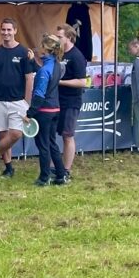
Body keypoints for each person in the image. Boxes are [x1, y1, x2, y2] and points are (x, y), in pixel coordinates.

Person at [0, 18, 36, 178]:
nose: (6, 33)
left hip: (18, 101)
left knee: (16, 134)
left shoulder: (24, 52)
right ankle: (8, 168)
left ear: (15, 31)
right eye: (3, 29)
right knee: (2, 135)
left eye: (9, 30)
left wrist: (27, 102)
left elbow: (29, 78)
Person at [29, 34, 68, 186]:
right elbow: (45, 74)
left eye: (41, 46)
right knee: (52, 143)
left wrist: (29, 113)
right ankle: (61, 175)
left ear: (45, 49)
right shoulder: (57, 65)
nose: (39, 48)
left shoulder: (45, 69)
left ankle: (44, 177)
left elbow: (39, 94)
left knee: (43, 145)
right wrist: (33, 62)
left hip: (44, 111)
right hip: (55, 109)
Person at [56, 22, 90, 177]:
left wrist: (60, 82)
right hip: (58, 100)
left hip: (71, 101)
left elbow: (82, 82)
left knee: (68, 135)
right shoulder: (59, 54)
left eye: (60, 37)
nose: (57, 40)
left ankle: (67, 169)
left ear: (69, 37)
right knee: (57, 134)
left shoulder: (77, 56)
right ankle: (56, 165)